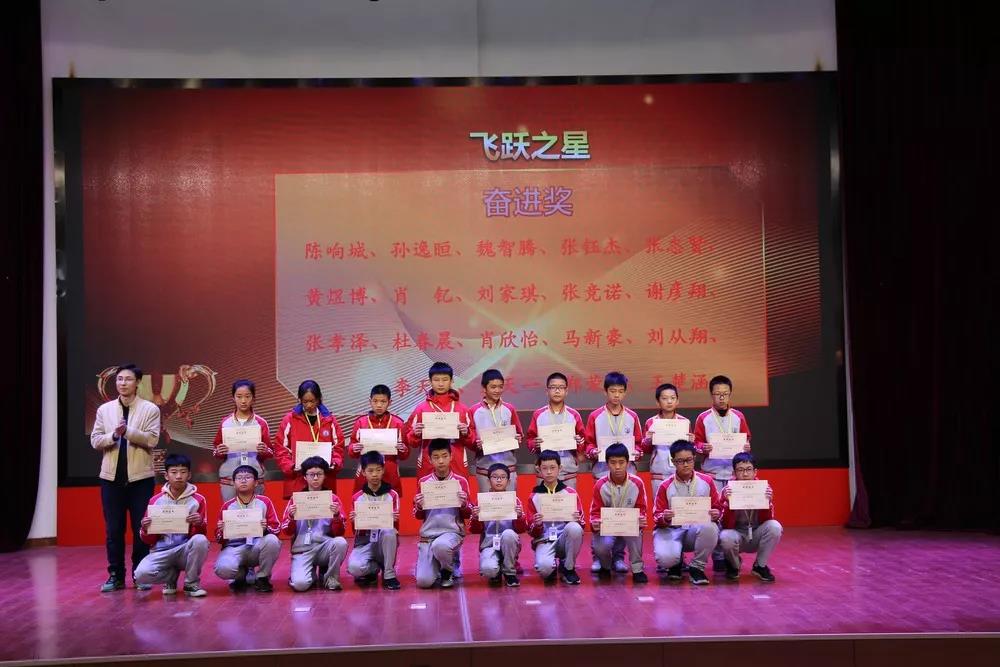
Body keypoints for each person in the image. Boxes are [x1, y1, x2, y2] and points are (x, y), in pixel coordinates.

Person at [90, 363, 161, 592]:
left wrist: (127, 432)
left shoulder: (150, 409)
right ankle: (115, 575)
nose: (123, 383)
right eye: (119, 379)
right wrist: (113, 435)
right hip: (111, 480)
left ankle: (140, 574)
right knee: (114, 530)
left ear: (138, 382)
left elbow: (152, 440)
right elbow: (95, 440)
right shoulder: (105, 410)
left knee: (141, 529)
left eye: (128, 379)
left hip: (141, 479)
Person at [584, 371, 644, 572]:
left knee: (624, 516)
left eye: (620, 391)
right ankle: (598, 557)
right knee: (601, 515)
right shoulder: (595, 416)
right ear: (605, 392)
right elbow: (588, 444)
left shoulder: (632, 416)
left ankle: (618, 557)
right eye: (612, 391)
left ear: (625, 392)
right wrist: (593, 451)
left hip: (628, 475)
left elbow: (639, 443)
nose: (616, 395)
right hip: (602, 473)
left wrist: (638, 451)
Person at [692, 375, 751, 571]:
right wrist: (703, 448)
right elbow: (696, 443)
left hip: (734, 476)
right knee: (714, 516)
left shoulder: (738, 417)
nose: (722, 397)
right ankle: (717, 556)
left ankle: (730, 552)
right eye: (718, 394)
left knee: (734, 515)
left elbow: (747, 440)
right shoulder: (703, 418)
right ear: (712, 395)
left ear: (730, 394)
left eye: (725, 394)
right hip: (712, 475)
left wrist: (746, 446)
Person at [133, 453, 210, 597]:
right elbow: (148, 540)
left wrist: (199, 524)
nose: (178, 476)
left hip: (184, 550)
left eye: (183, 472)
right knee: (140, 575)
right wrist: (145, 529)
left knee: (201, 540)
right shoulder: (155, 501)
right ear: (166, 475)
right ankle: (171, 576)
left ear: (189, 475)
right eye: (174, 472)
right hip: (161, 551)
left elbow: (201, 534)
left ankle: (191, 584)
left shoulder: (198, 500)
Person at [651, 441, 722, 585]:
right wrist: (665, 517)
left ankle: (697, 567)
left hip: (694, 531)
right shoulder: (665, 485)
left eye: (689, 460)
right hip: (672, 531)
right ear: (673, 462)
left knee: (711, 527)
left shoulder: (707, 481)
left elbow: (718, 508)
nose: (685, 465)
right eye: (680, 461)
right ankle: (675, 563)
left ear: (694, 458)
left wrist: (716, 514)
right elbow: (656, 516)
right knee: (666, 560)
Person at [280, 456, 349, 591]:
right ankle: (306, 574)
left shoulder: (333, 499)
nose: (315, 478)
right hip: (302, 550)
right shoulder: (296, 499)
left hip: (324, 547)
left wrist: (336, 516)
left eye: (319, 474)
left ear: (325, 476)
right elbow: (286, 531)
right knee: (300, 585)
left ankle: (330, 578)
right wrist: (291, 517)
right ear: (305, 477)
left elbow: (340, 531)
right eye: (311, 474)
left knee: (340, 542)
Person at [413, 439, 472, 589]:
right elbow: (417, 515)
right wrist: (419, 505)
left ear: (451, 456)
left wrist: (464, 504)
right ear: (429, 459)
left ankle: (447, 569)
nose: (441, 461)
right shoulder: (424, 482)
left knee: (441, 546)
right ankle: (438, 561)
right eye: (436, 457)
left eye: (444, 456)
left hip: (451, 533)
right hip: (429, 535)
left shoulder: (460, 481)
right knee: (424, 582)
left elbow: (469, 513)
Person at [213, 465, 281, 593]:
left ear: (256, 483)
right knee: (223, 569)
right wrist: (221, 530)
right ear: (233, 483)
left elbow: (276, 528)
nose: (243, 481)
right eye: (239, 478)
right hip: (235, 548)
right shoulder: (227, 506)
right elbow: (219, 538)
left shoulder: (264, 502)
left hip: (257, 546)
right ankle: (241, 572)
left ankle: (262, 577)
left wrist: (266, 527)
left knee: (272, 540)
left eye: (248, 477)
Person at [274, 380, 345, 499]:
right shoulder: (290, 419)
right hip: (298, 480)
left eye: (312, 401)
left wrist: (334, 462)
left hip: (324, 480)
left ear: (319, 399)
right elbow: (280, 448)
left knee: (324, 511)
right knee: (298, 511)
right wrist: (290, 466)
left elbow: (339, 447)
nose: (309, 405)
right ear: (299, 399)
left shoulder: (329, 420)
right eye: (305, 401)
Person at [590, 443, 648, 583]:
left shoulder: (637, 483)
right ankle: (605, 565)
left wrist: (641, 519)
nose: (617, 467)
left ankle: (637, 569)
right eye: (613, 462)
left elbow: (642, 508)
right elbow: (595, 512)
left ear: (628, 463)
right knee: (601, 546)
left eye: (621, 462)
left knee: (636, 530)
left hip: (629, 525)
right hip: (608, 526)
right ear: (607, 464)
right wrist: (595, 523)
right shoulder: (600, 484)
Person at [718, 453, 781, 582]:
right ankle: (734, 565)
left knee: (775, 526)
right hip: (737, 535)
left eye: (748, 469)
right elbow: (724, 525)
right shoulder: (727, 490)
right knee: (725, 536)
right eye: (740, 470)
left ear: (755, 471)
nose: (745, 474)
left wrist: (767, 502)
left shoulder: (764, 489)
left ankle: (760, 566)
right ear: (734, 473)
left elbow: (767, 520)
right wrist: (728, 503)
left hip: (756, 533)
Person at [525, 450, 584, 585]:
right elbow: (530, 530)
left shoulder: (570, 493)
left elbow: (582, 523)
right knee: (544, 570)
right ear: (538, 470)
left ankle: (568, 568)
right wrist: (537, 524)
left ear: (560, 468)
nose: (549, 472)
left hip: (564, 539)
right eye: (545, 468)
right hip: (545, 540)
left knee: (575, 528)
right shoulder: (534, 496)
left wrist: (577, 519)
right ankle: (550, 567)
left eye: (553, 468)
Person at [347, 451, 402, 590]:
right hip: (365, 543)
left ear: (383, 470)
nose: (375, 474)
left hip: (384, 542)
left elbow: (395, 528)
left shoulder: (392, 495)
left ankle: (389, 574)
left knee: (389, 531)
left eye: (378, 470)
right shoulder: (357, 497)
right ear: (363, 472)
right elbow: (355, 532)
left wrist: (394, 520)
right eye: (370, 471)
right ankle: (374, 568)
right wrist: (354, 521)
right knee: (354, 568)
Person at [212, 379, 273, 501]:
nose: (243, 401)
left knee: (256, 510)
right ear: (233, 398)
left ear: (254, 399)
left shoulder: (261, 423)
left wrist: (264, 450)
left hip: (254, 477)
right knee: (231, 511)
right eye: (239, 396)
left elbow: (270, 452)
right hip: (229, 478)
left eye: (247, 396)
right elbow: (216, 450)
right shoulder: (225, 423)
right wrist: (220, 451)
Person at [470, 462, 527, 587]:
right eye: (495, 477)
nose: (499, 480)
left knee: (509, 534)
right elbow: (474, 530)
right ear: (488, 481)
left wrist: (519, 517)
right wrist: (475, 518)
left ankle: (509, 573)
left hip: (509, 543)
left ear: (508, 481)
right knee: (488, 570)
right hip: (489, 544)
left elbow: (522, 529)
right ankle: (495, 570)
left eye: (503, 477)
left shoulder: (515, 500)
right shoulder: (481, 501)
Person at [525, 372, 587, 488]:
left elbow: (583, 441)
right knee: (544, 500)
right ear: (547, 391)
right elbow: (529, 440)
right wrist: (535, 443)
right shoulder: (538, 414)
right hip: (544, 472)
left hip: (568, 471)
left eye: (561, 387)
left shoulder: (574, 415)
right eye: (553, 387)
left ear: (566, 391)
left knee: (569, 500)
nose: (557, 391)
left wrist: (579, 443)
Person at [347, 384, 409, 496]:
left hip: (389, 471)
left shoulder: (398, 423)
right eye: (375, 401)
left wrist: (403, 449)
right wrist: (354, 448)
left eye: (383, 401)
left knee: (390, 504)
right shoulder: (361, 422)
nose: (379, 405)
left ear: (390, 402)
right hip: (366, 472)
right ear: (370, 401)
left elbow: (405, 455)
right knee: (364, 503)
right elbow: (351, 451)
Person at [470, 369, 524, 492]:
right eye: (493, 387)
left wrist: (517, 438)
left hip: (508, 468)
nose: (497, 390)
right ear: (484, 388)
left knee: (510, 503)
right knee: (487, 503)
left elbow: (519, 433)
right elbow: (470, 439)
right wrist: (476, 443)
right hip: (485, 469)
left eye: (500, 387)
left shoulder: (509, 409)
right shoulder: (474, 411)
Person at [642, 383, 693, 499]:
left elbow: (690, 450)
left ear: (677, 401)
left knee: (680, 507)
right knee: (660, 507)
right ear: (657, 402)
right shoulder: (651, 422)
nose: (669, 401)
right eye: (664, 398)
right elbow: (646, 450)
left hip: (680, 472)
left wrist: (691, 442)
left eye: (672, 398)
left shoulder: (685, 422)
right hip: (659, 473)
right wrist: (648, 441)